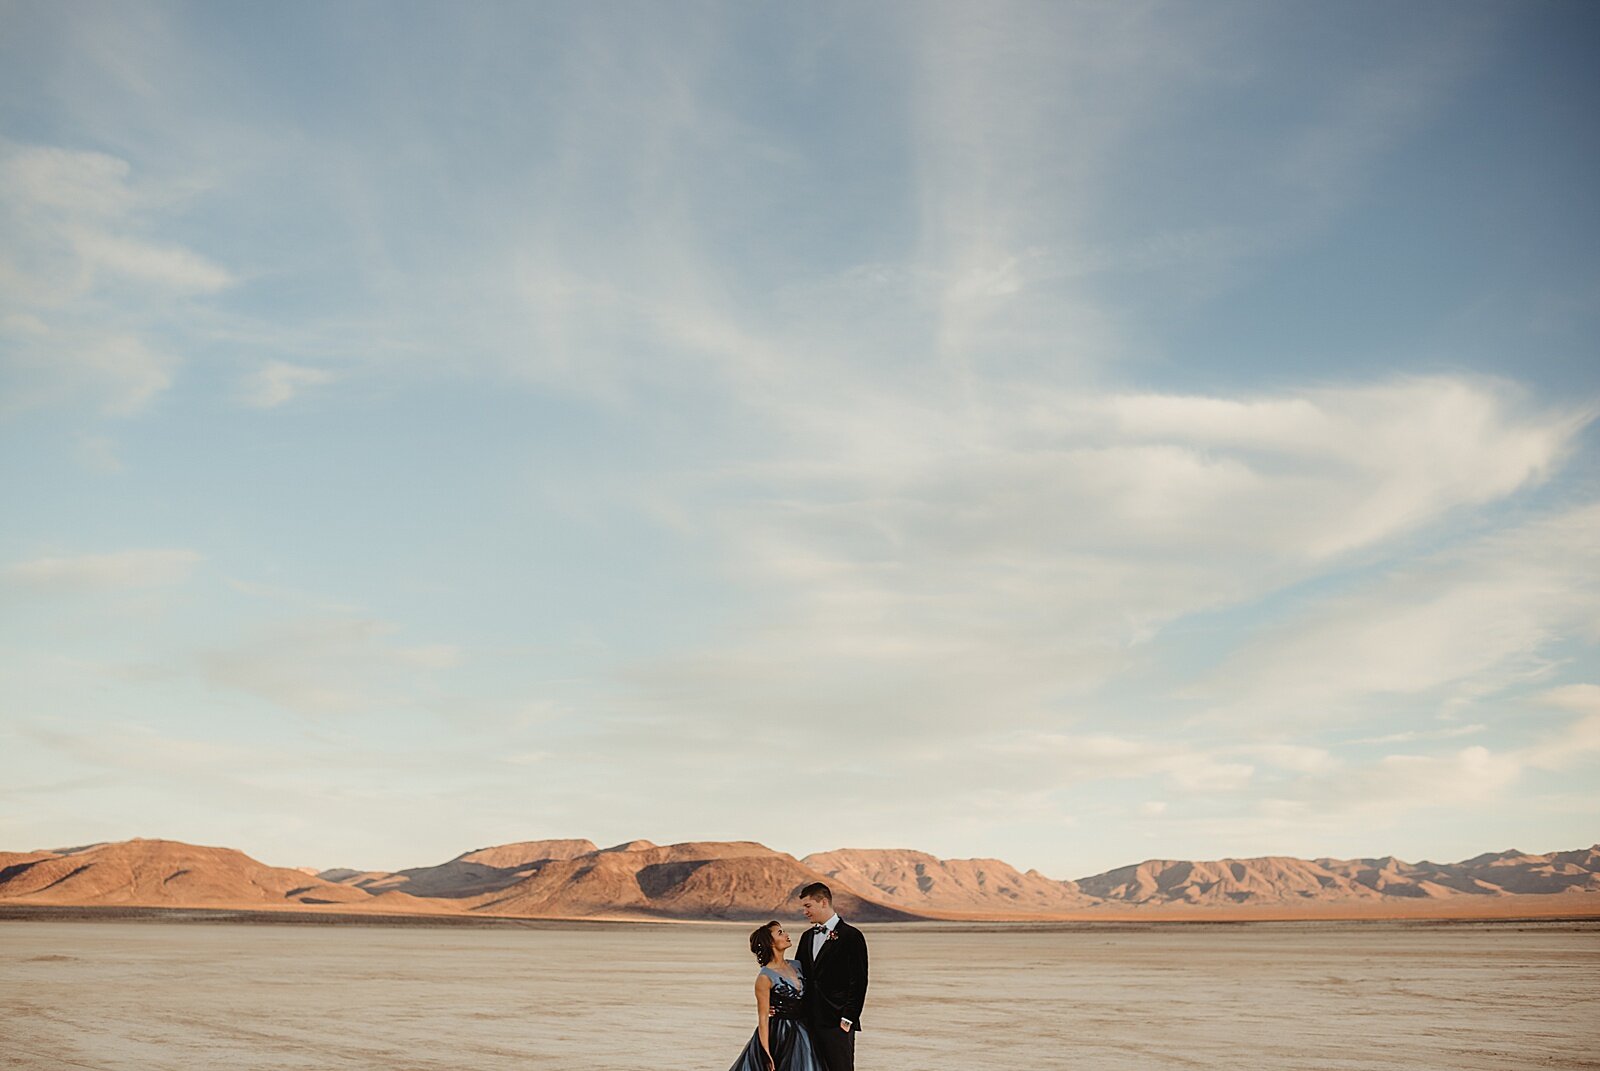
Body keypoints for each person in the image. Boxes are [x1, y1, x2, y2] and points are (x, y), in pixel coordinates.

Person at [725, 920, 825, 1071]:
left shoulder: (797, 965)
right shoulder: (764, 978)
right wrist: (766, 1053)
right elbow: (763, 1018)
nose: (786, 935)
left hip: (804, 1029)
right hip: (780, 1034)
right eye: (780, 933)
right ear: (770, 942)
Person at [794, 882, 868, 1071]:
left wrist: (848, 1018)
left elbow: (859, 981)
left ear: (823, 902)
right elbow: (799, 976)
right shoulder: (806, 937)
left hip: (837, 1022)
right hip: (809, 1021)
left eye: (808, 906)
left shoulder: (851, 936)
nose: (805, 912)